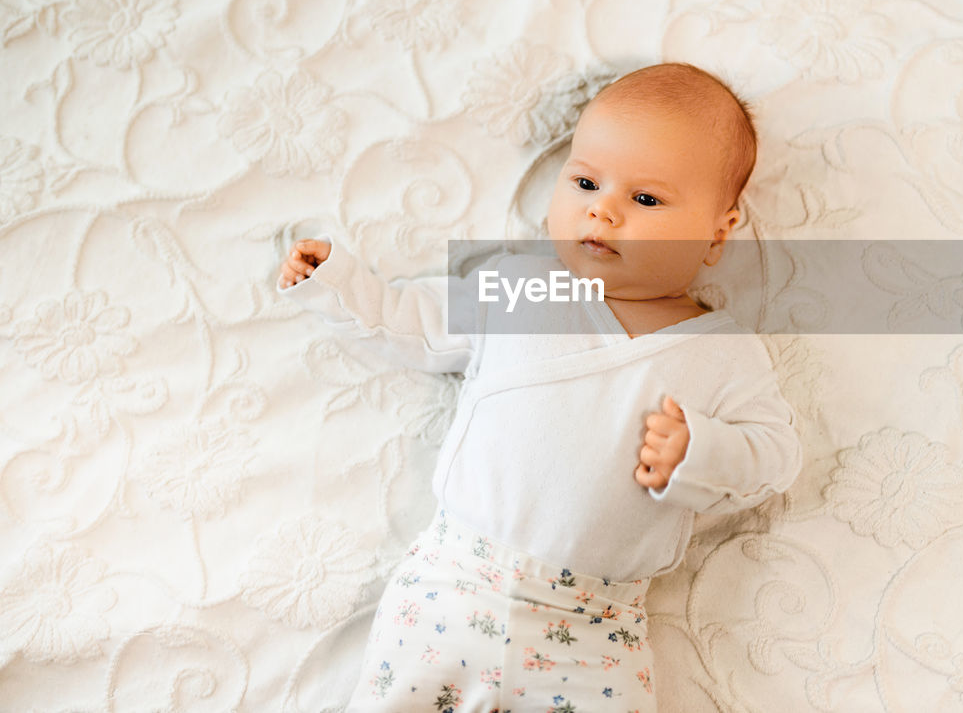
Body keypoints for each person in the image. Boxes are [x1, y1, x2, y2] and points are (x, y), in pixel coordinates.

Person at [276, 62, 802, 712]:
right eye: (585, 181)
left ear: (718, 231)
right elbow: (410, 321)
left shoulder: (724, 354)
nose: (602, 209)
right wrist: (338, 283)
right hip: (453, 587)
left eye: (646, 199)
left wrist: (702, 451)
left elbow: (775, 457)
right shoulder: (521, 284)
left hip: (591, 630)